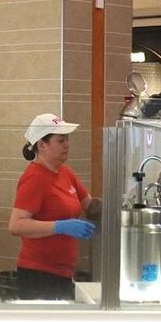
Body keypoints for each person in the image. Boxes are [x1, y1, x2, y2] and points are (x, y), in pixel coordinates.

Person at [8, 113, 100, 301]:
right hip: (39, 275)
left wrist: (121, 204)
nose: (67, 145)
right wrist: (60, 226)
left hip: (63, 272)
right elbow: (16, 225)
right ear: (42, 144)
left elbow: (90, 205)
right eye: (60, 140)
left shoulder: (65, 172)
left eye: (67, 139)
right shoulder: (34, 178)